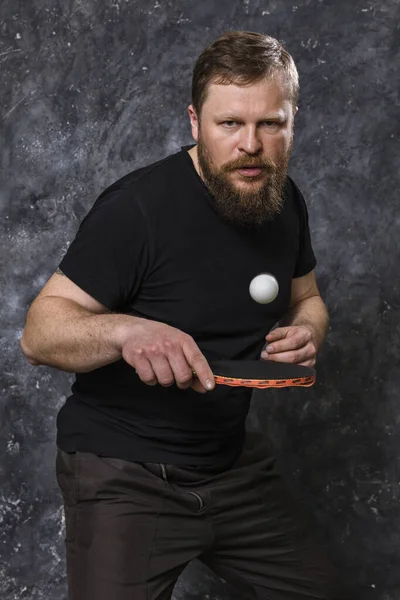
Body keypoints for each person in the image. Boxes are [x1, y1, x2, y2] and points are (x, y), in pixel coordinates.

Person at [21, 31, 350, 600]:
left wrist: (307, 329)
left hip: (232, 468)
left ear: (292, 122)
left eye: (270, 124)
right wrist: (126, 330)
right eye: (230, 124)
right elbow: (39, 332)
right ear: (195, 122)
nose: (251, 144)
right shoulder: (137, 210)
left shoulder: (284, 199)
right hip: (125, 474)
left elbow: (307, 299)